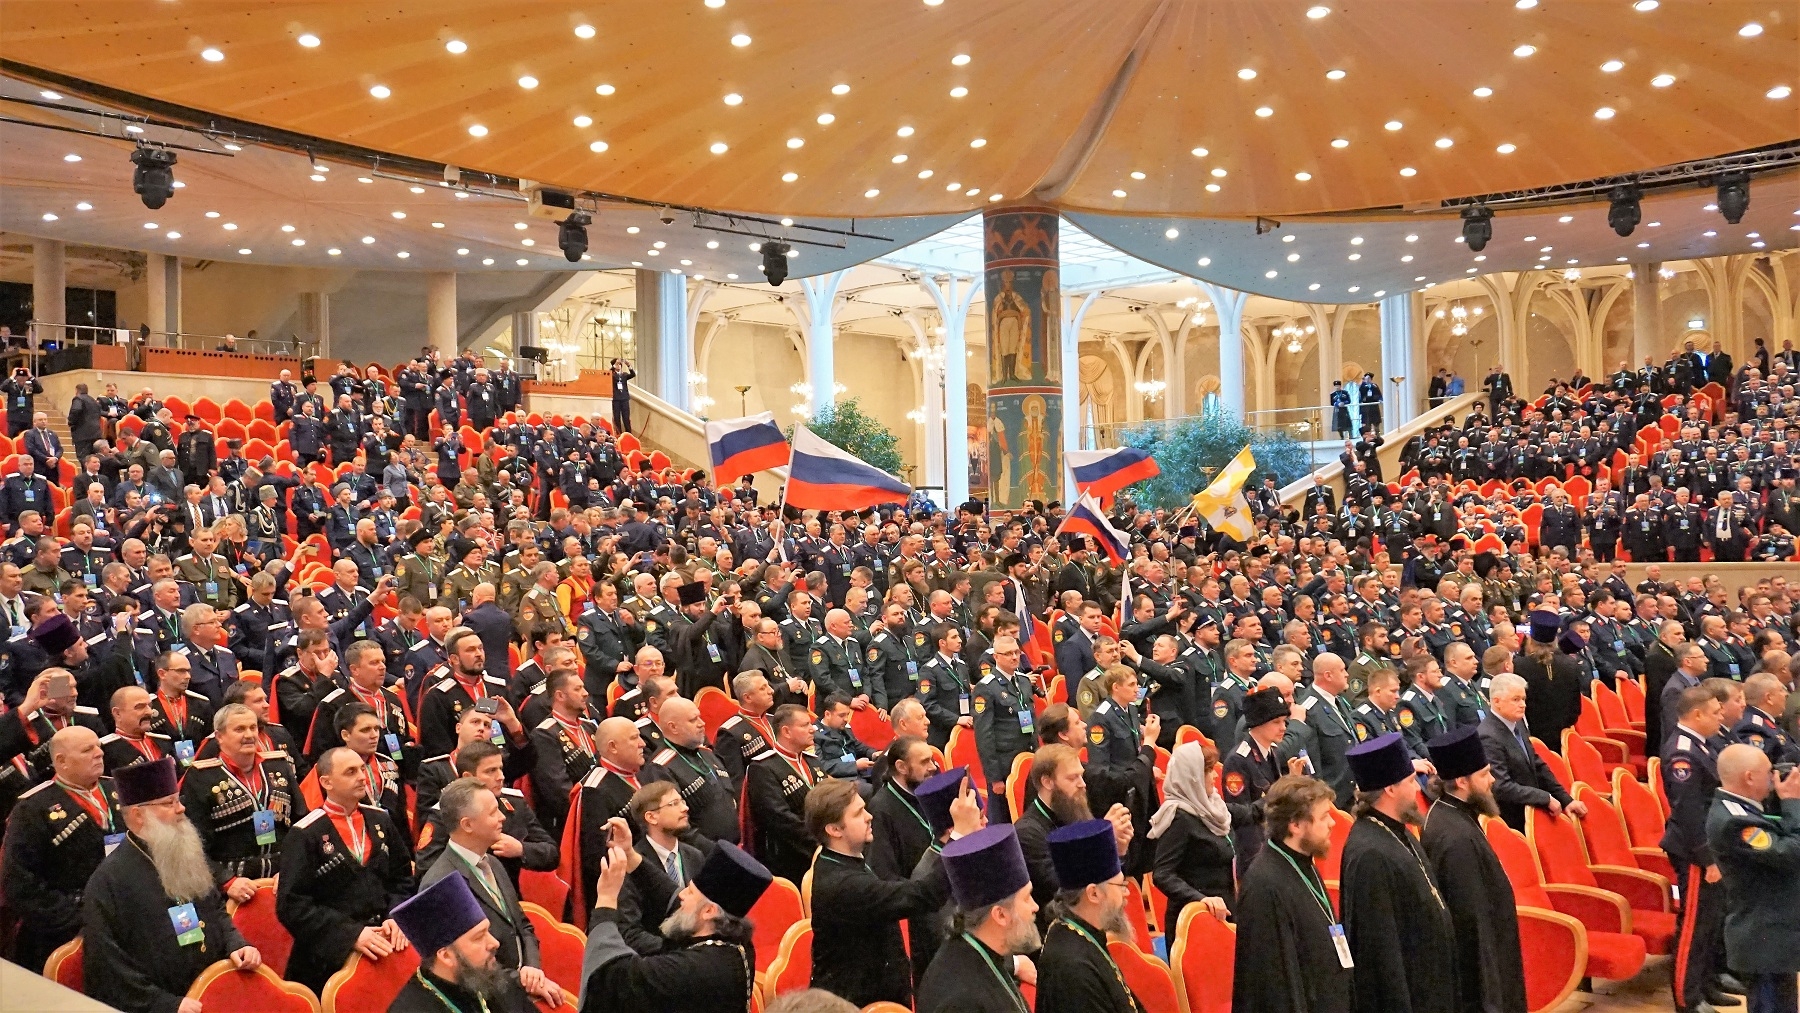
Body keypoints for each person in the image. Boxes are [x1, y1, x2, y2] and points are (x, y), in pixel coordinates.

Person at [81, 757, 263, 1012]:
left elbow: (215, 909)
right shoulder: (108, 881)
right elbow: (107, 965)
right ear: (138, 815)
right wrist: (166, 1004)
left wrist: (236, 943)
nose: (181, 809)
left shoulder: (184, 853)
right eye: (169, 803)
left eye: (179, 800)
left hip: (214, 989)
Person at [806, 776, 974, 1007]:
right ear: (834, 830)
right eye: (858, 813)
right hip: (856, 1004)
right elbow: (924, 895)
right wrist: (959, 836)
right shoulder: (843, 884)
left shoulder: (845, 859)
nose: (869, 816)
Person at [580, 830, 773, 1012]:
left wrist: (605, 900)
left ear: (709, 911)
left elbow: (611, 978)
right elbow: (669, 893)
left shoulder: (692, 969)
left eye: (690, 892)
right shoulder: (735, 941)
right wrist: (631, 856)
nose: (682, 895)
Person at [276, 745, 415, 994]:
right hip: (327, 959)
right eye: (350, 772)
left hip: (385, 945)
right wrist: (351, 935)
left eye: (362, 769)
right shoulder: (305, 833)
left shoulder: (380, 819)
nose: (362, 777)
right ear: (326, 782)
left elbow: (402, 879)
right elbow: (292, 905)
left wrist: (396, 916)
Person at [420, 777, 564, 1007]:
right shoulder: (441, 884)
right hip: (485, 998)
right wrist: (522, 981)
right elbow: (464, 965)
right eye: (493, 812)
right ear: (467, 825)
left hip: (518, 988)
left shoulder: (493, 863)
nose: (502, 817)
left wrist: (533, 969)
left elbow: (522, 925)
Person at [1339, 732, 1457, 1013]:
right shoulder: (1369, 853)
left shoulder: (1399, 831)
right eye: (1410, 781)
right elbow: (1380, 954)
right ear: (1390, 789)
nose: (1417, 789)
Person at [1420, 725, 1528, 1013]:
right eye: (1484, 774)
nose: (1492, 780)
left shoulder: (1455, 815)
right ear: (1461, 781)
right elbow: (1472, 926)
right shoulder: (1455, 838)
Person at [0, 725, 121, 972]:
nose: (99, 753)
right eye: (87, 750)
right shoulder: (33, 808)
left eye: (98, 746)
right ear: (62, 761)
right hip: (66, 930)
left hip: (122, 913)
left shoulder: (117, 790)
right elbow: (20, 884)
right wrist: (79, 917)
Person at [1707, 743, 1800, 1013]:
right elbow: (1791, 853)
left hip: (1773, 934)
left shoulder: (1743, 808)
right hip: (1762, 939)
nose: (1774, 777)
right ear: (1749, 777)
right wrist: (1793, 803)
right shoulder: (1734, 821)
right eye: (1768, 772)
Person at [914, 823, 1040, 1013]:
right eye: (1027, 898)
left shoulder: (980, 951)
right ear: (1000, 915)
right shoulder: (961, 1002)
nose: (1035, 906)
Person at [1662, 685, 1733, 1013]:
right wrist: (1707, 858)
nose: (1721, 716)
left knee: (1711, 921)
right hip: (1694, 852)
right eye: (1716, 712)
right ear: (1697, 714)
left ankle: (1707, 983)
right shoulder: (1683, 753)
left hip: (1711, 847)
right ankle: (1687, 999)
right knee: (1693, 926)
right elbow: (1688, 812)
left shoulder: (1702, 743)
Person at [1035, 818, 1147, 1013]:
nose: (1127, 892)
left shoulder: (1080, 932)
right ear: (1093, 893)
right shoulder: (1073, 969)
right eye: (1120, 885)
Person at [385, 873, 520, 1013]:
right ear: (446, 956)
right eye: (479, 937)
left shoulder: (490, 980)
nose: (495, 943)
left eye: (488, 931)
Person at [1148, 741, 1248, 928]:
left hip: (1224, 913)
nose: (1215, 775)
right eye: (1209, 771)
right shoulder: (1179, 818)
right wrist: (1201, 899)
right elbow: (1162, 874)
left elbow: (1250, 813)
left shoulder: (1214, 807)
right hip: (1195, 922)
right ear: (1192, 777)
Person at [1477, 672, 1585, 830]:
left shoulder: (1517, 723)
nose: (1523, 705)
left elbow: (1537, 765)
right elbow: (1501, 786)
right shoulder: (1487, 736)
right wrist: (1544, 797)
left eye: (1523, 699)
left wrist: (1566, 799)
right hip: (1514, 820)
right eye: (1516, 699)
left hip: (1534, 809)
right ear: (1496, 701)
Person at [610, 357, 636, 434]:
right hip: (616, 399)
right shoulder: (612, 374)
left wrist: (629, 365)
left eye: (620, 364)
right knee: (617, 417)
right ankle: (619, 434)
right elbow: (608, 373)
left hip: (624, 398)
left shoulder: (624, 375)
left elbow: (633, 374)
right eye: (617, 364)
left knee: (626, 417)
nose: (619, 366)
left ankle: (628, 433)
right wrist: (614, 365)